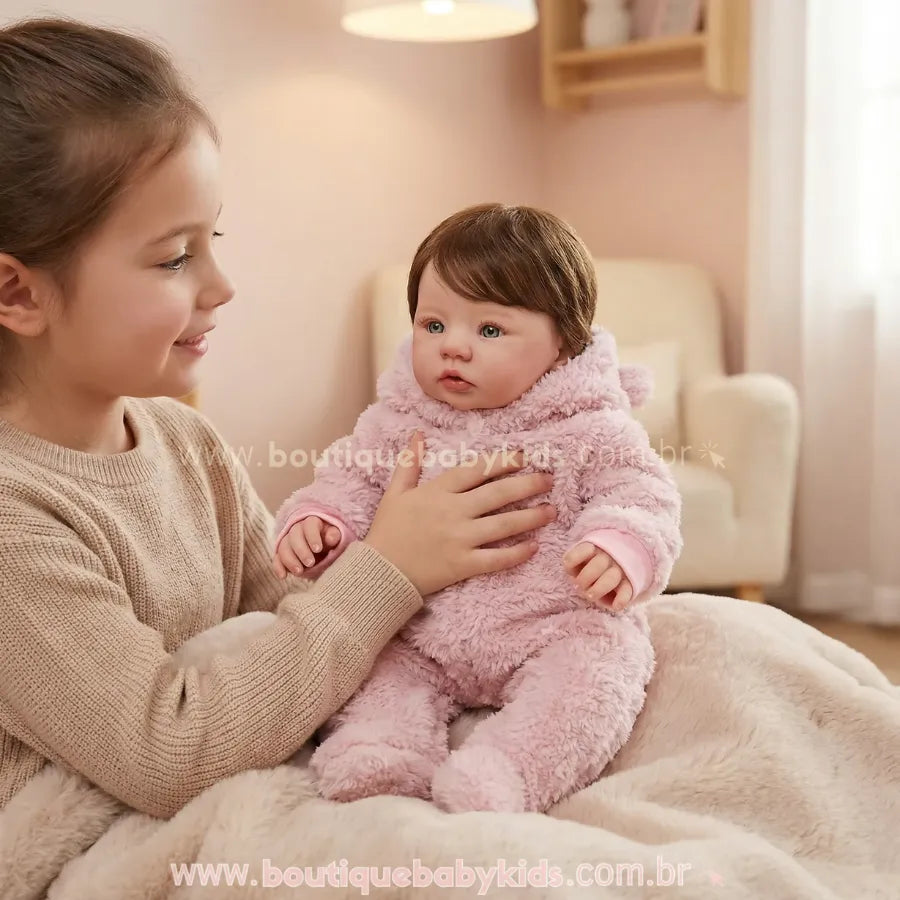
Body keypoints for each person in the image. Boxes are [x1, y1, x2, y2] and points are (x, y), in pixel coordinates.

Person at [0, 18, 555, 820]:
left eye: (211, 238)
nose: (220, 285)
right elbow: (168, 752)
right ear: (18, 293)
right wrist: (389, 568)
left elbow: (288, 625)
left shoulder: (184, 442)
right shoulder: (14, 518)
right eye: (173, 258)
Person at [271, 204, 682, 813]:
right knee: (374, 665)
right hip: (418, 628)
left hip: (549, 624)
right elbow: (349, 479)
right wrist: (320, 523)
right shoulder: (397, 421)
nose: (453, 348)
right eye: (433, 325)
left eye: (489, 331)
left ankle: (510, 771)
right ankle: (382, 751)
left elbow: (643, 496)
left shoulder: (589, 426)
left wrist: (620, 546)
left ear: (564, 344)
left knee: (603, 665)